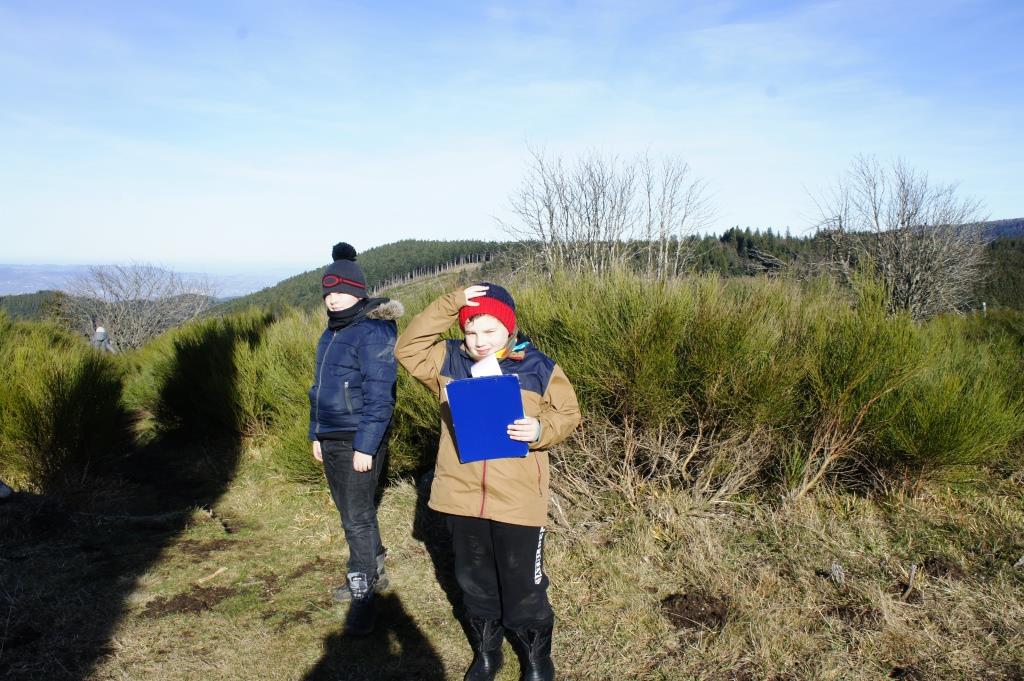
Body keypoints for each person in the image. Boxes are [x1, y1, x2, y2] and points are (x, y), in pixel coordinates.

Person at [395, 282, 581, 681]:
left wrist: (540, 430)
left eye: (490, 330)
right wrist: (452, 302)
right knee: (474, 581)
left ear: (509, 328)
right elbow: (407, 349)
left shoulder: (537, 365)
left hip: (517, 499)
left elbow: (568, 414)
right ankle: (487, 654)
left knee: (523, 584)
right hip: (460, 497)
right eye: (471, 330)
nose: (479, 341)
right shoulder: (447, 359)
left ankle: (536, 658)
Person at [308, 242, 402, 636]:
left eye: (341, 291)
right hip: (331, 435)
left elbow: (381, 396)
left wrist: (366, 445)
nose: (333, 298)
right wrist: (316, 433)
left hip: (357, 438)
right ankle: (373, 570)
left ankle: (362, 594)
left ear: (359, 291)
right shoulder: (331, 332)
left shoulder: (373, 331)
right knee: (352, 512)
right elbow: (318, 389)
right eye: (328, 292)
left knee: (357, 517)